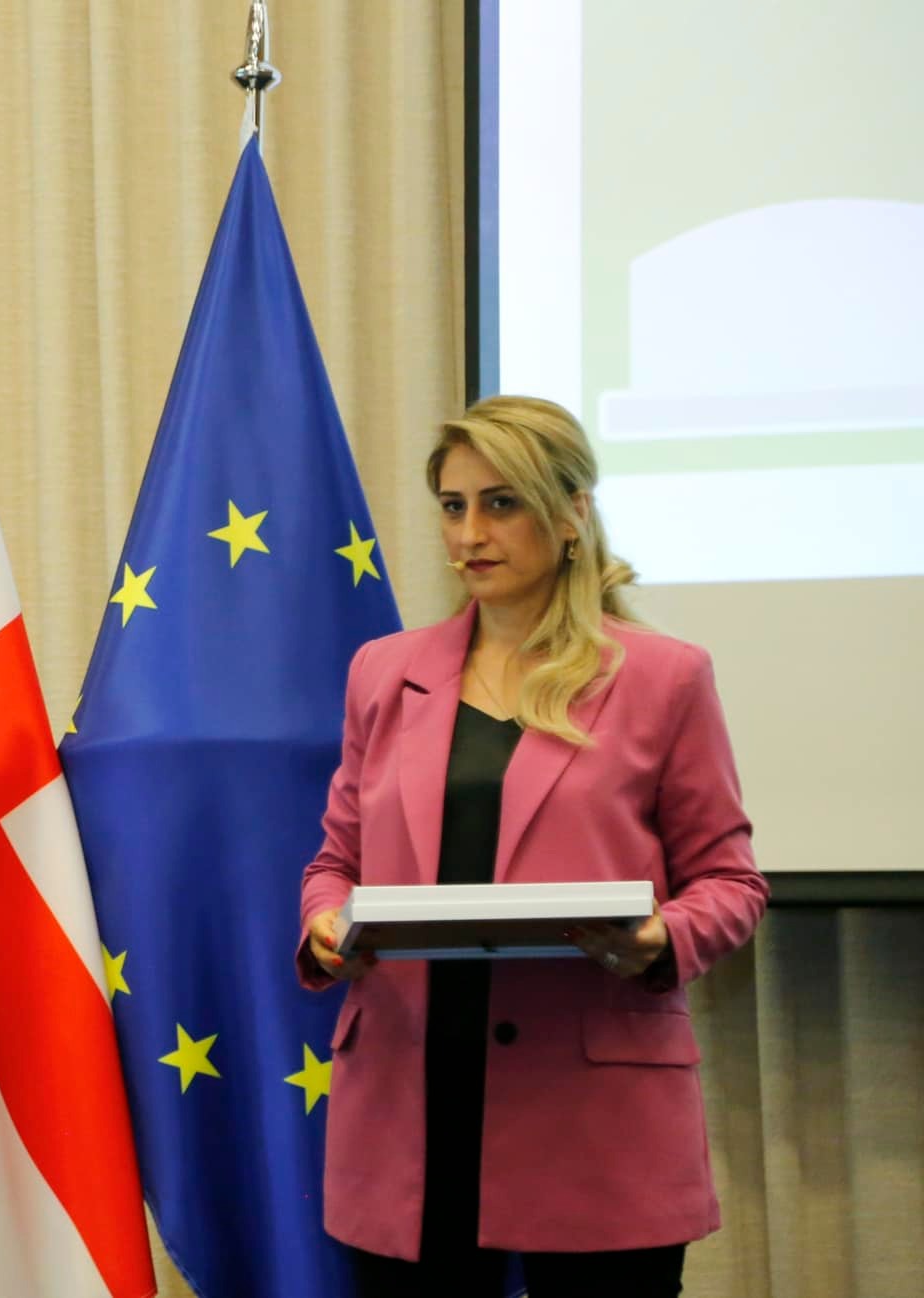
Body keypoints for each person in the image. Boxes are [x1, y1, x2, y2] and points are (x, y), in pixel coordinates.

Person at [295, 395, 768, 1297]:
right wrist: (325, 924)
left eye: (501, 503)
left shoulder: (664, 677)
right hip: (409, 1099)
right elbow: (336, 862)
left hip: (593, 1109)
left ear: (571, 513)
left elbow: (728, 880)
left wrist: (660, 938)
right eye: (453, 505)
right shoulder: (383, 673)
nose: (470, 533)